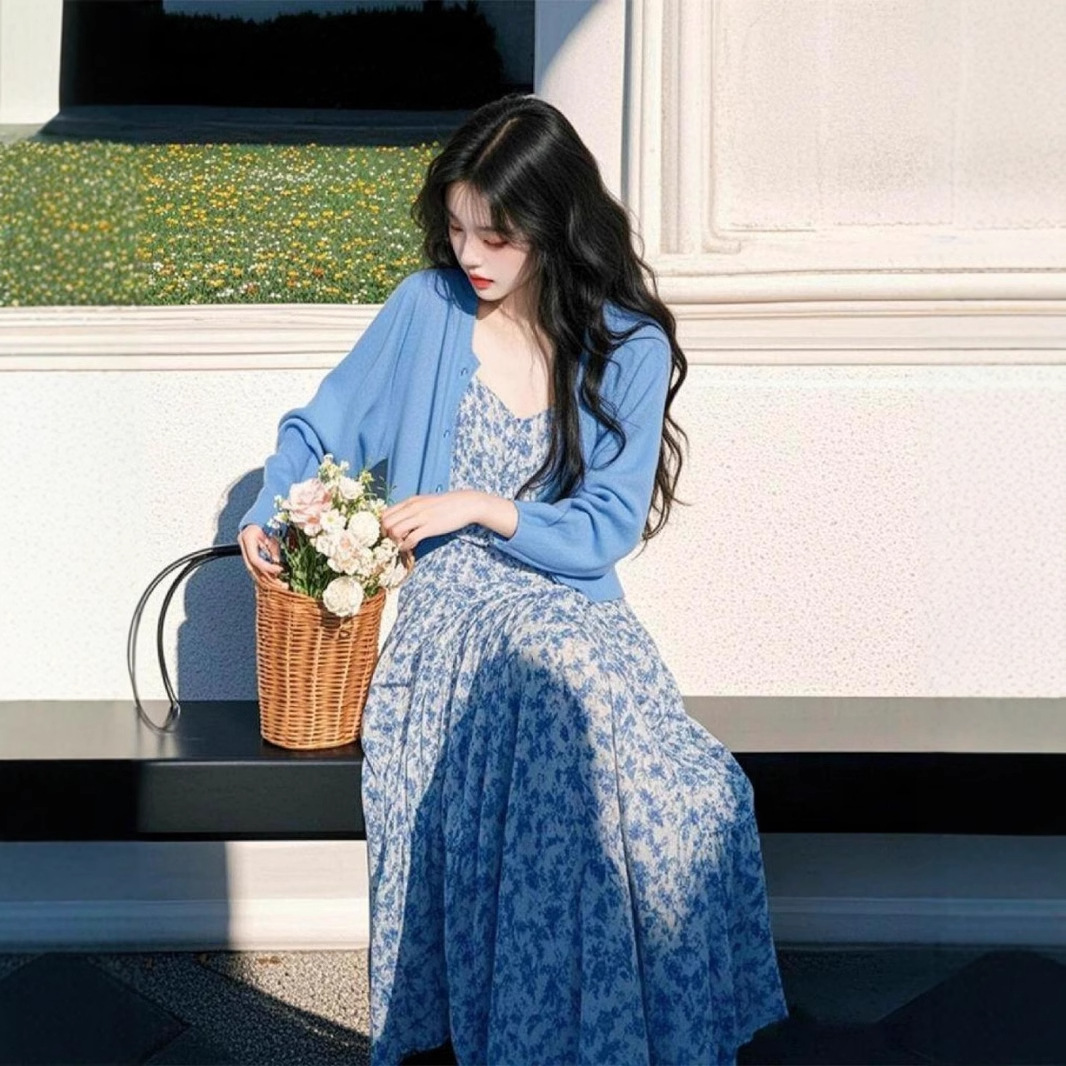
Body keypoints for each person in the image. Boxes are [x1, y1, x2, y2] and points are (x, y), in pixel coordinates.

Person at [238, 94, 788, 1066]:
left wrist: (482, 505)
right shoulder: (427, 311)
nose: (470, 256)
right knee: (553, 709)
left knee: (686, 801)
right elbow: (322, 427)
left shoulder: (626, 343)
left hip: (582, 616)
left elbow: (603, 530)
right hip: (456, 616)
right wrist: (266, 509)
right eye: (455, 229)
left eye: (495, 235)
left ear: (553, 222)